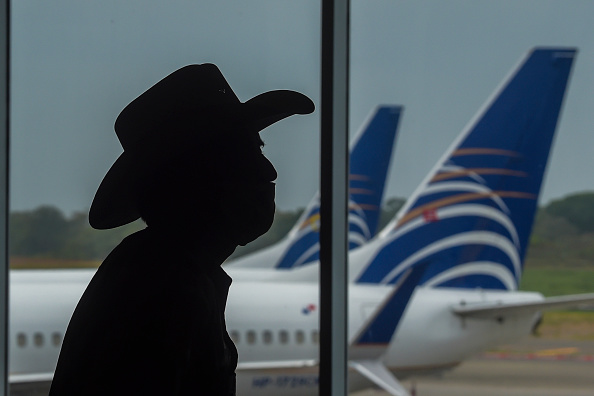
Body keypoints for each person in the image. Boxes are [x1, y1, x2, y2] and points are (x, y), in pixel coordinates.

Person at [48, 64, 314, 396]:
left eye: (258, 150)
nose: (268, 171)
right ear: (191, 180)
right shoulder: (165, 291)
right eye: (243, 156)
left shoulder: (157, 271)